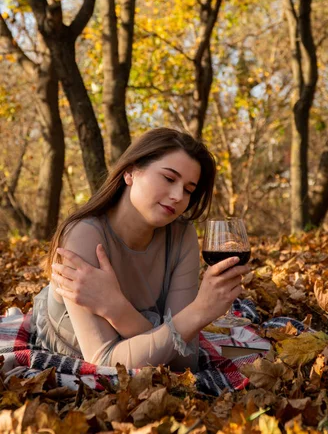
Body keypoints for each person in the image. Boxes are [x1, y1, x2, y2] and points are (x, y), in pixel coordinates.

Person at [32, 128, 250, 373]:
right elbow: (106, 363)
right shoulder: (83, 236)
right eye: (169, 178)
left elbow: (184, 362)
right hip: (72, 344)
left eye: (189, 190)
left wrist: (116, 308)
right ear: (130, 172)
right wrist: (196, 314)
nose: (178, 196)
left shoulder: (180, 235)